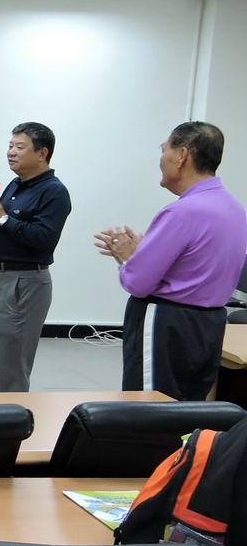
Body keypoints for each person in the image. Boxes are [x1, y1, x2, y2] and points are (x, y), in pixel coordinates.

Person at [95, 122, 247, 401]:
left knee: (151, 408)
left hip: (168, 325)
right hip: (211, 324)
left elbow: (138, 284)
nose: (161, 159)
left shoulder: (181, 212)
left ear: (182, 156)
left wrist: (128, 258)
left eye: (164, 150)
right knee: (190, 409)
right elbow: (197, 263)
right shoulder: (235, 209)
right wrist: (148, 251)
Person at [0, 122, 72, 392]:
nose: (11, 152)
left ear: (42, 153)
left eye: (19, 147)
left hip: (23, 280)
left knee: (13, 362)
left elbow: (44, 238)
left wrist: (3, 218)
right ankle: (2, 411)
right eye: (10, 146)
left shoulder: (54, 191)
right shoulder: (16, 184)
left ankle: (14, 413)